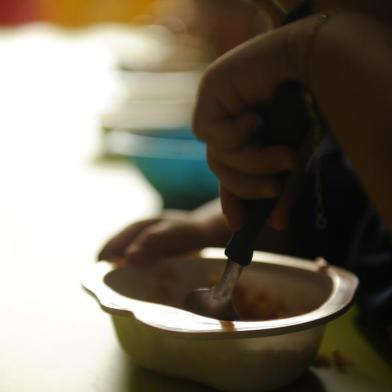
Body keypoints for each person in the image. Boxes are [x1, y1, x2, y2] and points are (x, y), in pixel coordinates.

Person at [99, 0, 392, 327]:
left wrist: (319, 50)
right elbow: (329, 217)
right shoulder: (344, 133)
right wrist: (209, 232)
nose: (287, 26)